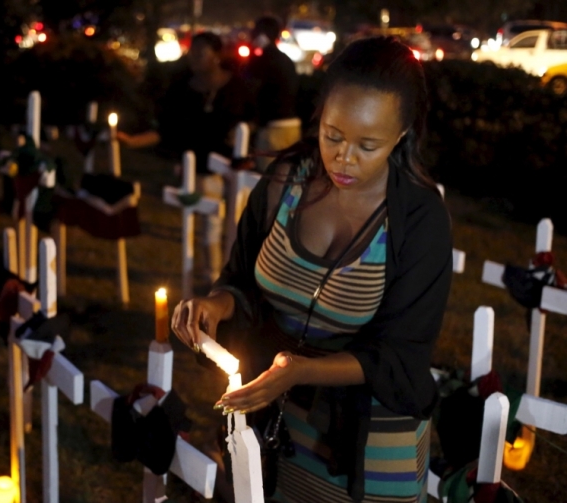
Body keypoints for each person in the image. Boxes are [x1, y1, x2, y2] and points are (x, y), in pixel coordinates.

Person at [172, 36, 452, 502]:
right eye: (333, 135)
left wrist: (300, 370)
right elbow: (241, 278)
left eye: (368, 145)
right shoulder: (285, 182)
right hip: (276, 423)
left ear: (401, 136)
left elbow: (401, 354)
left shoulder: (419, 220)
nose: (344, 157)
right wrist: (217, 303)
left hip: (368, 445)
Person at [118, 32, 253, 281]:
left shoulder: (236, 88)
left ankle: (239, 279)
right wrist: (133, 141)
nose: (194, 58)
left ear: (216, 56)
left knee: (237, 228)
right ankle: (214, 278)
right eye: (192, 52)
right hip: (202, 169)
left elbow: (251, 123)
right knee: (209, 229)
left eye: (201, 53)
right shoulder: (182, 89)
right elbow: (168, 130)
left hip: (234, 170)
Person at [244, 16, 301, 171]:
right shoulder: (285, 60)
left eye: (254, 32)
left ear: (261, 34)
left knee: (268, 180)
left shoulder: (262, 60)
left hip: (273, 130)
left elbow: (251, 92)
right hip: (292, 126)